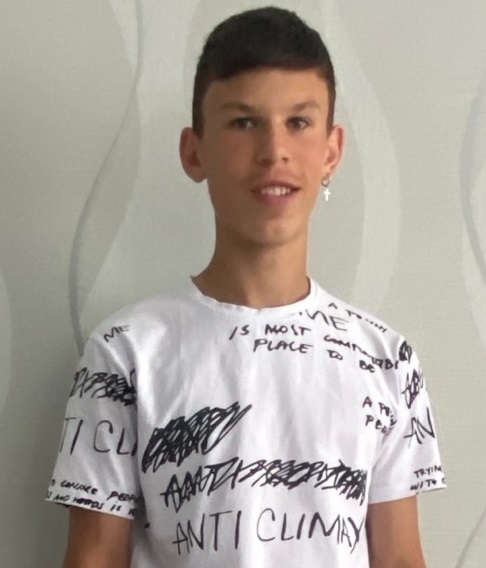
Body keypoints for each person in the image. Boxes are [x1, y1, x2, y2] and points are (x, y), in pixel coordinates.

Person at [46, 6, 446, 568]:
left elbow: (401, 559)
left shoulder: (386, 360)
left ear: (331, 151)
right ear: (194, 152)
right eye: (243, 122)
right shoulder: (124, 353)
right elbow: (93, 557)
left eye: (298, 122)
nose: (273, 150)